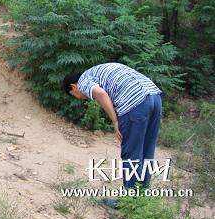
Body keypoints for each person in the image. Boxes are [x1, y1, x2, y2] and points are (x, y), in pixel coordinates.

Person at [63, 63, 163, 193]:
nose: (80, 98)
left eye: (74, 95)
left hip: (135, 103)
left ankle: (129, 200)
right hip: (155, 97)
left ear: (73, 87)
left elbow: (100, 93)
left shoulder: (83, 81)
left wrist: (115, 121)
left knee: (132, 153)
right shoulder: (95, 72)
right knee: (147, 150)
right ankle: (142, 194)